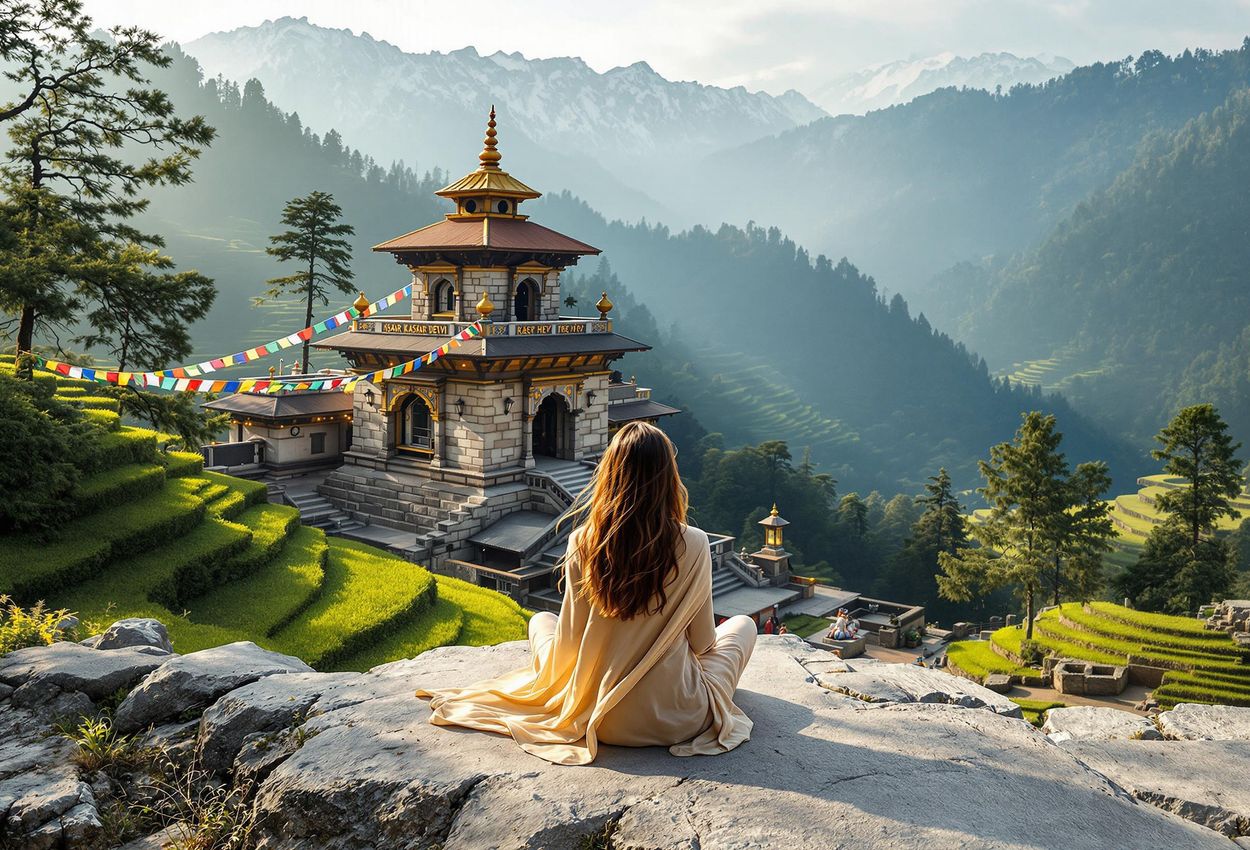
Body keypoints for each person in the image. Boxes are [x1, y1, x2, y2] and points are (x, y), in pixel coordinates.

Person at [415, 422, 757, 766]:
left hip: (597, 717)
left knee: (542, 621)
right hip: (678, 718)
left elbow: (569, 645)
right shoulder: (694, 542)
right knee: (743, 625)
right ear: (668, 476)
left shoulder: (584, 541)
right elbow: (702, 644)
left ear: (610, 474)